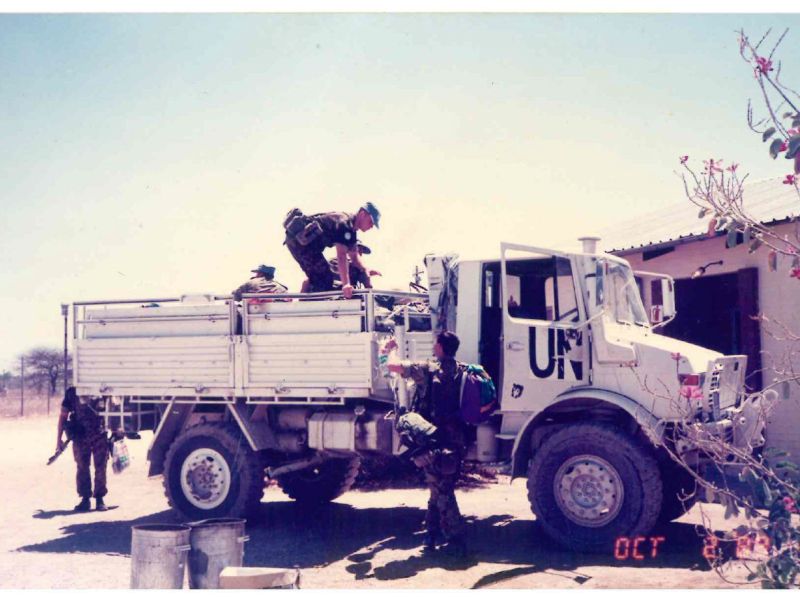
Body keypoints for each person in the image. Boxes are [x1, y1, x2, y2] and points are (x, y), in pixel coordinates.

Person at [387, 331, 468, 556]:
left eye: (435, 343)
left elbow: (394, 367)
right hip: (456, 440)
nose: (433, 346)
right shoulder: (462, 370)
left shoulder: (427, 369)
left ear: (440, 347)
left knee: (442, 491)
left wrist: (389, 350)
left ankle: (455, 538)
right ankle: (431, 535)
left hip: (432, 440)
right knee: (440, 486)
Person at [283, 203, 381, 299]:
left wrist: (365, 270)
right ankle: (310, 308)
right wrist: (346, 284)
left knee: (322, 277)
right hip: (299, 244)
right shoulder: (344, 224)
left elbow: (354, 257)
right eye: (371, 222)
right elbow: (341, 256)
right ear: (363, 214)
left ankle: (310, 303)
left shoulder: (351, 230)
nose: (371, 226)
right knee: (324, 278)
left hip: (305, 246)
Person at [56, 387, 109, 512]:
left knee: (101, 466)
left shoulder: (102, 390)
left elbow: (113, 411)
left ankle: (99, 498)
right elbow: (63, 416)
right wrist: (59, 438)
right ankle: (85, 499)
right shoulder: (72, 392)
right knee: (82, 467)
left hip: (99, 434)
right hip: (80, 435)